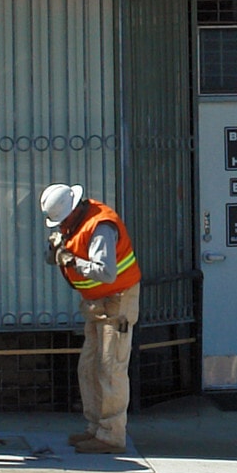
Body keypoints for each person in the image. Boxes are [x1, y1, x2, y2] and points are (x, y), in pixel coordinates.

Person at [40, 183, 140, 453]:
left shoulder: (100, 227)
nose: (60, 226)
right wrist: (58, 251)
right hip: (98, 304)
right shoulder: (75, 224)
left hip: (117, 302)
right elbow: (58, 258)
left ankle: (111, 435)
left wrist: (70, 260)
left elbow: (105, 272)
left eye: (62, 222)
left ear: (73, 210)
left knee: (110, 369)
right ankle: (95, 428)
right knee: (89, 368)